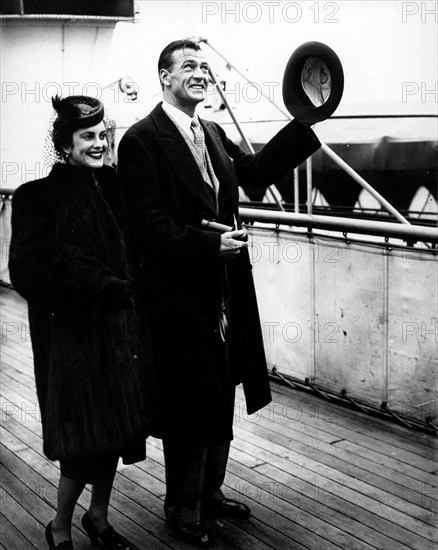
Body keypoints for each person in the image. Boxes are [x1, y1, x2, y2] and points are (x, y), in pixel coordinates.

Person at [117, 39, 321, 547]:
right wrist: (209, 245)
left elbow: (251, 176)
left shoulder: (210, 131)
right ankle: (182, 506)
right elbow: (144, 226)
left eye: (203, 66)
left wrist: (305, 124)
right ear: (164, 77)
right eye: (189, 66)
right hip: (179, 295)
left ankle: (210, 493)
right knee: (189, 400)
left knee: (222, 389)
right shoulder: (142, 139)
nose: (200, 73)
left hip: (224, 291)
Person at [8, 95, 151, 550]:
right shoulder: (37, 197)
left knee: (116, 431)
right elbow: (29, 273)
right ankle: (61, 525)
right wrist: (101, 285)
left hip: (119, 333)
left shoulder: (110, 185)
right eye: (86, 136)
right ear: (64, 145)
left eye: (101, 135)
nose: (97, 143)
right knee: (80, 442)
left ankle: (99, 518)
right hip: (72, 336)